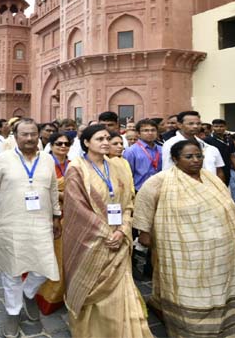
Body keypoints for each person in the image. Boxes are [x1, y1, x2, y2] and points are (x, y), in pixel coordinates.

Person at [135, 140, 235, 337]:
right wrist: (145, 234)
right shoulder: (161, 180)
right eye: (189, 157)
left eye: (199, 156)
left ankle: (226, 323)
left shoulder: (211, 178)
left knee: (221, 285)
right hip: (183, 250)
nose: (196, 160)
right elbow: (144, 207)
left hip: (221, 247)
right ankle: (192, 328)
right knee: (189, 290)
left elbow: (228, 206)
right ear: (175, 159)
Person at [62, 125, 152, 338]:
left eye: (107, 138)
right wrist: (106, 233)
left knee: (122, 287)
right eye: (99, 138)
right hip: (92, 241)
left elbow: (128, 201)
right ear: (86, 142)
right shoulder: (76, 168)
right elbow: (77, 208)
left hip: (119, 236)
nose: (105, 142)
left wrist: (122, 229)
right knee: (92, 287)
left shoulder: (118, 166)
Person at [0, 119, 61, 337]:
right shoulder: (3, 159)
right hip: (10, 223)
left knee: (43, 266)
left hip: (41, 222)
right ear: (15, 136)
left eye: (33, 134)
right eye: (24, 135)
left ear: (39, 136)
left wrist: (57, 215)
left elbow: (53, 189)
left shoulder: (48, 159)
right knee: (11, 270)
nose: (29, 138)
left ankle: (28, 293)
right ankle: (13, 313)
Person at [35, 131, 72, 315]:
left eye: (66, 144)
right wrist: (63, 195)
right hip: (48, 215)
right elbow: (38, 188)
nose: (63, 147)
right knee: (49, 255)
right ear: (51, 145)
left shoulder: (74, 166)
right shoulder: (43, 164)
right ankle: (46, 293)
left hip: (71, 217)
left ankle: (67, 292)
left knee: (66, 256)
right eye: (59, 144)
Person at [162, 111, 225, 180]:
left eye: (198, 123)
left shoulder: (208, 147)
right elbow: (167, 170)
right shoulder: (170, 144)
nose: (195, 126)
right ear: (179, 125)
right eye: (191, 124)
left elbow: (219, 171)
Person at [122, 119, 163, 190]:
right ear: (138, 134)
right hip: (139, 189)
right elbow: (127, 174)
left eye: (153, 130)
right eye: (146, 130)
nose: (150, 133)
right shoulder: (131, 151)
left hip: (160, 189)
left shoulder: (162, 149)